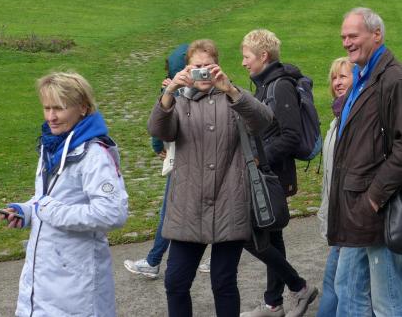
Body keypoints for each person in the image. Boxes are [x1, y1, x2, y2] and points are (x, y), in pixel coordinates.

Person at [147, 39, 274, 317]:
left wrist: (230, 90)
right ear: (187, 69)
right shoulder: (178, 100)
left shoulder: (232, 96)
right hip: (188, 207)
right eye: (197, 67)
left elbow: (264, 121)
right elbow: (159, 131)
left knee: (223, 283)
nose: (203, 73)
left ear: (217, 66)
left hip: (229, 203)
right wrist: (169, 92)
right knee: (175, 283)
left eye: (209, 66)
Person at [0, 71, 129, 317]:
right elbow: (46, 199)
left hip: (77, 285)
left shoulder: (94, 155)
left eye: (59, 108)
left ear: (83, 108)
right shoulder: (52, 146)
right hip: (43, 278)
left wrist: (49, 210)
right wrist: (26, 211)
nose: (51, 117)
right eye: (47, 108)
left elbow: (113, 213)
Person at [328, 7, 402, 317]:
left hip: (378, 208)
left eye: (353, 35)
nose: (346, 42)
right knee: (347, 289)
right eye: (343, 36)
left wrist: (374, 198)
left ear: (376, 35)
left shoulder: (395, 80)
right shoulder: (362, 77)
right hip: (356, 207)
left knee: (388, 300)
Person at [239, 29, 318, 317]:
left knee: (248, 233)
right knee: (272, 237)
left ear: (263, 56)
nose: (243, 63)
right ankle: (274, 303)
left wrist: (257, 160)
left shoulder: (280, 86)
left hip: (273, 175)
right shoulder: (264, 85)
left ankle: (298, 286)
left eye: (247, 57)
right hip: (266, 174)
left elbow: (291, 136)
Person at [126, 43, 215, 278]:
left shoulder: (179, 91)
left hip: (185, 161)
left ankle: (154, 261)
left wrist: (158, 147)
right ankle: (156, 259)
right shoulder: (181, 88)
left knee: (171, 210)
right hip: (197, 160)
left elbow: (160, 128)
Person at [317, 57, 371, 316]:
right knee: (347, 286)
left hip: (352, 218)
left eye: (343, 76)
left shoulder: (354, 118)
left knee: (343, 286)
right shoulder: (337, 118)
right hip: (340, 217)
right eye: (334, 77)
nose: (337, 82)